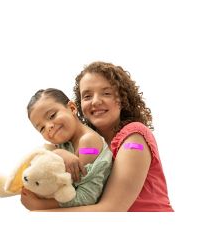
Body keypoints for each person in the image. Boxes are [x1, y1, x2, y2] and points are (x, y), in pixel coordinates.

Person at [21, 61, 174, 212]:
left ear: (122, 98)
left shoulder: (134, 138)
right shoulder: (82, 141)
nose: (95, 101)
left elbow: (112, 208)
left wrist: (40, 208)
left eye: (106, 93)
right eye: (87, 96)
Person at [23, 88, 113, 209]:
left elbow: (87, 196)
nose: (49, 126)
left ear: (72, 108)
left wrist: (40, 205)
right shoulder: (64, 143)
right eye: (42, 128)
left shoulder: (88, 143)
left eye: (52, 115)